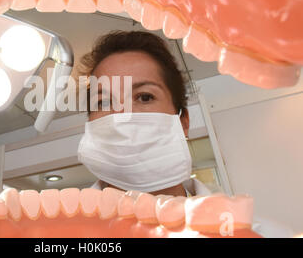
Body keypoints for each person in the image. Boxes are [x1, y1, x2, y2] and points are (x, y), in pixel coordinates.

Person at [75, 30, 294, 237]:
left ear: (183, 122)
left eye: (144, 97)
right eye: (103, 101)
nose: (122, 116)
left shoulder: (262, 233)